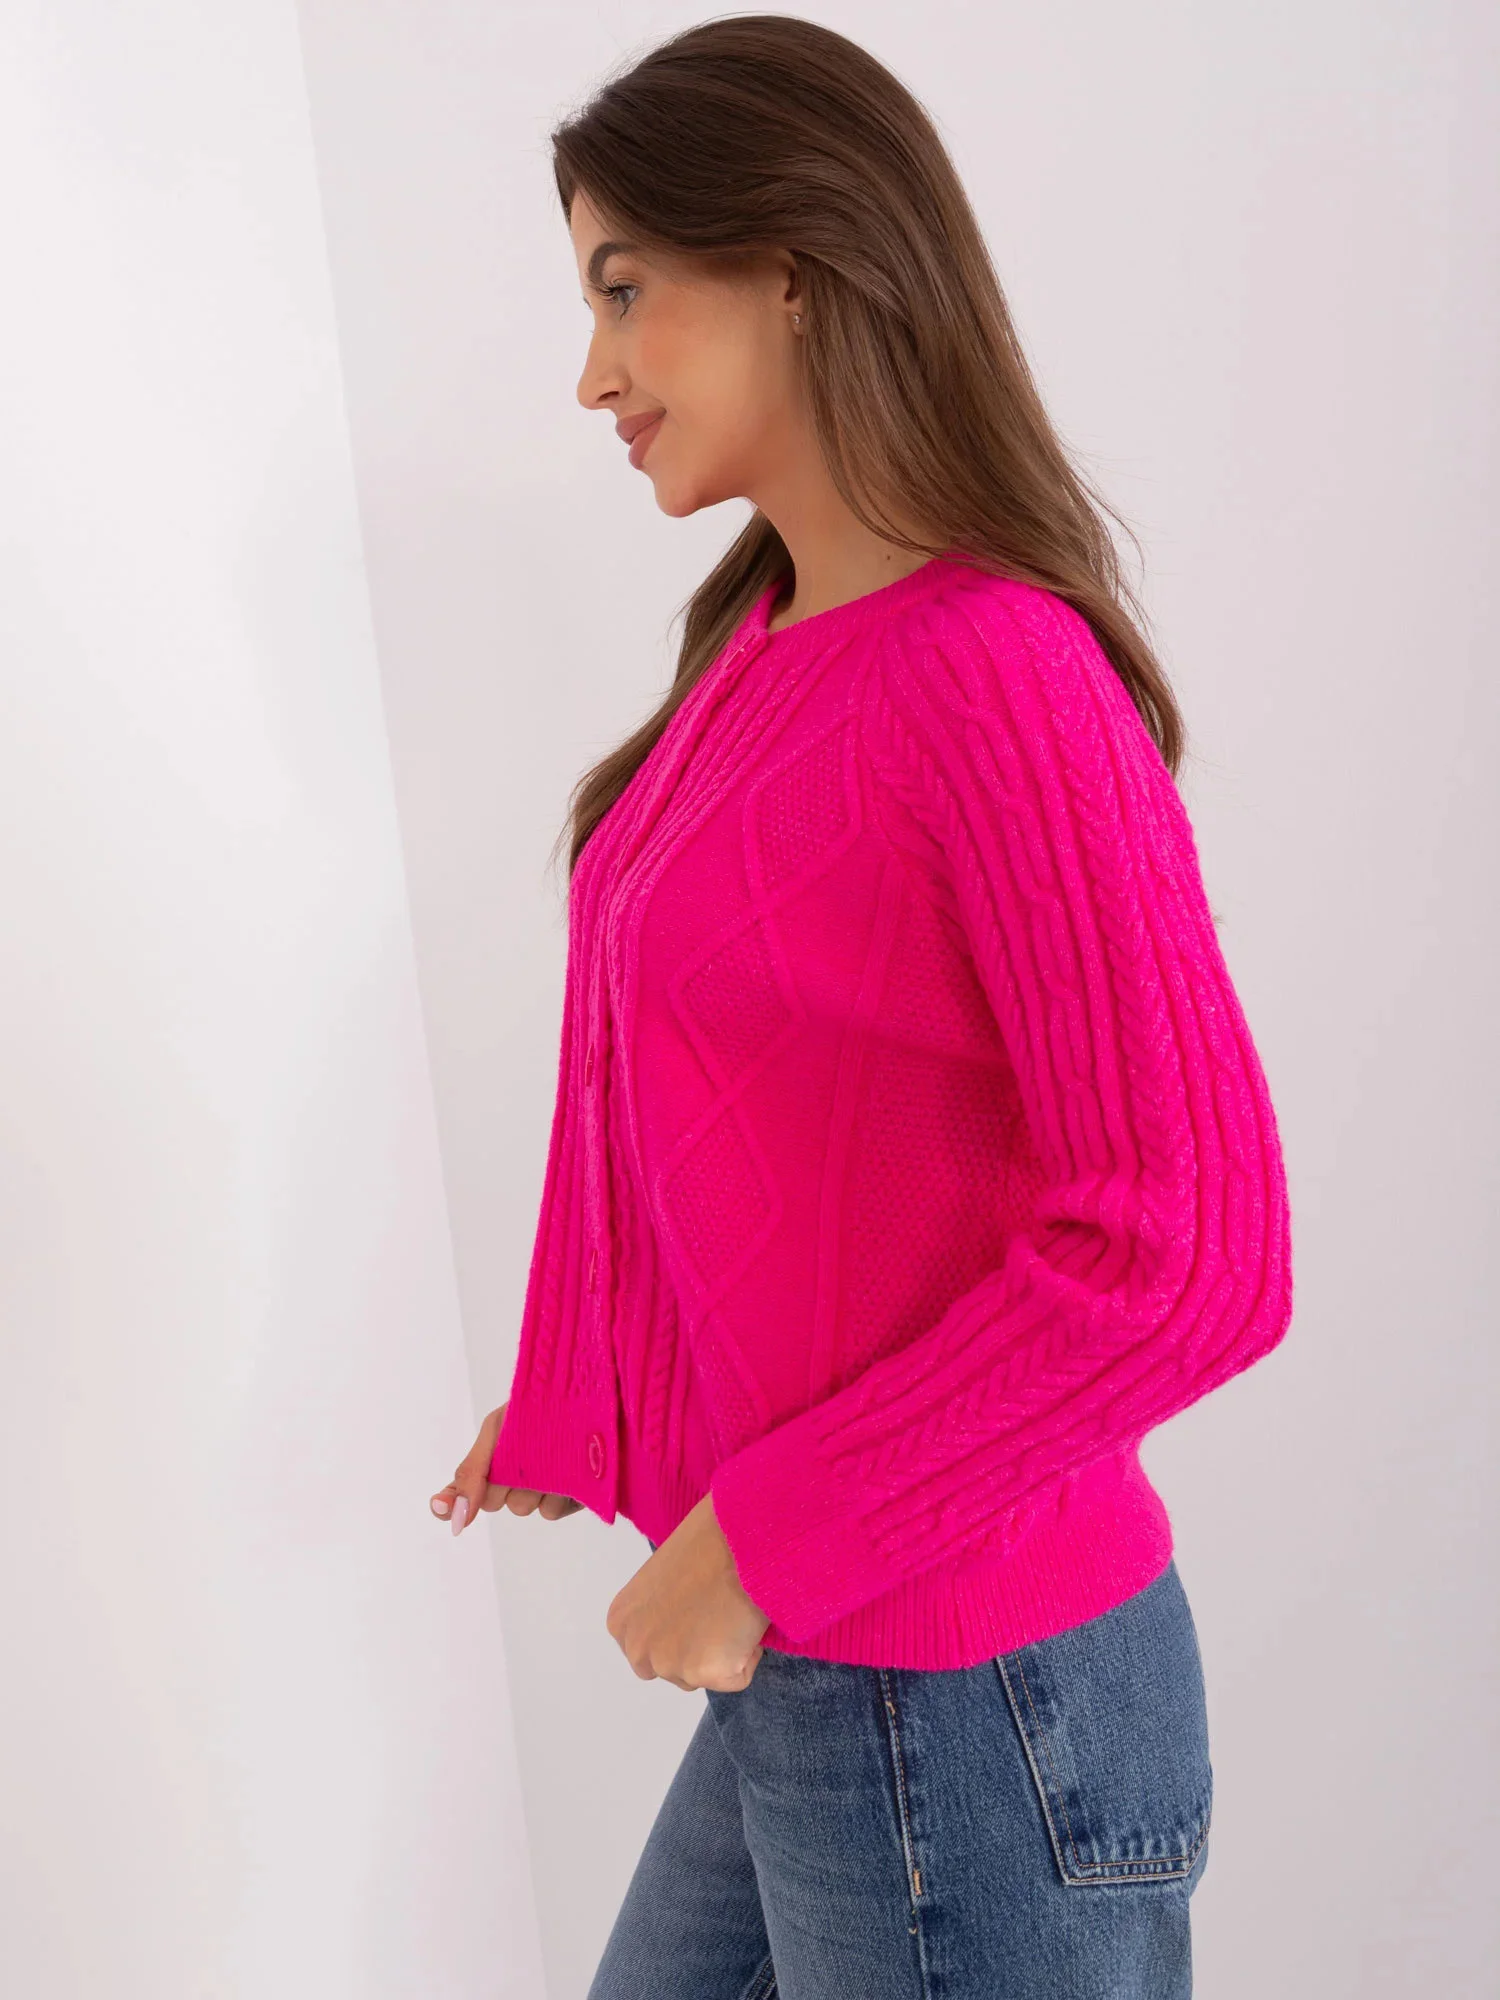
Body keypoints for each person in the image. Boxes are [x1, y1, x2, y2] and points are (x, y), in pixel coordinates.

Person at [428, 17, 1294, 1997]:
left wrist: (755, 1539)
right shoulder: (760, 637)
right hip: (830, 1661)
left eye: (623, 292)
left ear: (796, 267)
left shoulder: (998, 673)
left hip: (974, 1699)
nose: (592, 375)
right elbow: (780, 1112)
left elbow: (1192, 1255)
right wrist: (592, 1390)